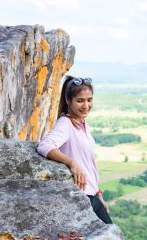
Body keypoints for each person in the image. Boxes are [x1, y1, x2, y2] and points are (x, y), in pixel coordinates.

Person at [37, 75, 112, 224]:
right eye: (80, 101)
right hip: (80, 197)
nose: (86, 105)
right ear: (68, 100)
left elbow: (89, 163)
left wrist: (98, 194)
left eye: (89, 100)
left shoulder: (83, 123)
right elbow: (45, 146)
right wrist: (72, 163)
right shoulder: (66, 124)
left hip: (92, 195)